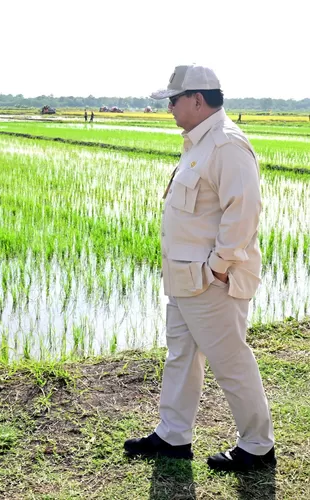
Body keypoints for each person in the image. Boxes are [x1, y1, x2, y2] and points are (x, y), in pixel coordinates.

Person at [124, 65, 275, 473]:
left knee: (231, 362)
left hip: (211, 282)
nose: (169, 108)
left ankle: (258, 446)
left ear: (197, 99)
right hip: (184, 279)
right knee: (181, 357)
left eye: (173, 100)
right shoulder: (198, 143)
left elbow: (243, 214)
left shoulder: (226, 145)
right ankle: (174, 436)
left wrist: (218, 268)